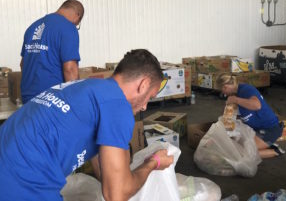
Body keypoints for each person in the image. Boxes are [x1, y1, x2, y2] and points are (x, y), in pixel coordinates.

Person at [0, 49, 174, 201]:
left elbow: (101, 161)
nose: (144, 106)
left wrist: (115, 180)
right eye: (149, 98)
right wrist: (153, 163)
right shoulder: (117, 105)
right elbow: (116, 195)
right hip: (21, 185)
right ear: (143, 85)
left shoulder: (88, 88)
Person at [20, 0, 84, 104]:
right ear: (77, 16)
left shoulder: (32, 27)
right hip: (52, 100)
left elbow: (23, 64)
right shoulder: (68, 28)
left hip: (27, 100)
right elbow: (70, 69)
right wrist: (76, 102)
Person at [216, 73, 285, 159]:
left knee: (240, 153)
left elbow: (257, 105)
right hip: (254, 130)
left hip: (269, 129)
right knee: (231, 148)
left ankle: (275, 151)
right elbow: (229, 116)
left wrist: (236, 100)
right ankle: (264, 145)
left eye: (222, 90)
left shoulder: (246, 90)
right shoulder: (234, 95)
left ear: (225, 86)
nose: (223, 93)